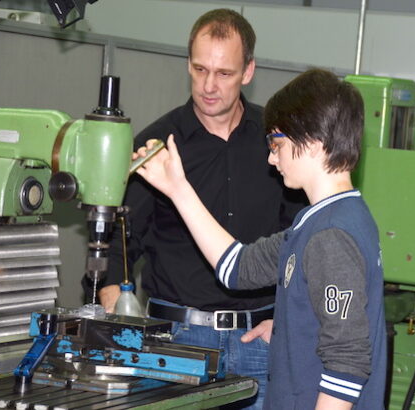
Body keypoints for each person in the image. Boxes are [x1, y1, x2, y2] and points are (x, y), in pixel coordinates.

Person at [85, 9, 304, 409]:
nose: (208, 85)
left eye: (224, 73)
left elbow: (301, 242)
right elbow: (118, 240)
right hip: (175, 344)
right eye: (200, 69)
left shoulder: (278, 147)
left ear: (249, 71)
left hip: (260, 342)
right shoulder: (155, 146)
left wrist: (286, 322)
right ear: (188, 63)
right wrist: (117, 310)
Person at [135, 69, 387, 409]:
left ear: (312, 142)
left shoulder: (332, 235)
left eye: (277, 143)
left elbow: (347, 365)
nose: (271, 157)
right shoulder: (318, 221)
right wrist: (177, 189)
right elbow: (237, 267)